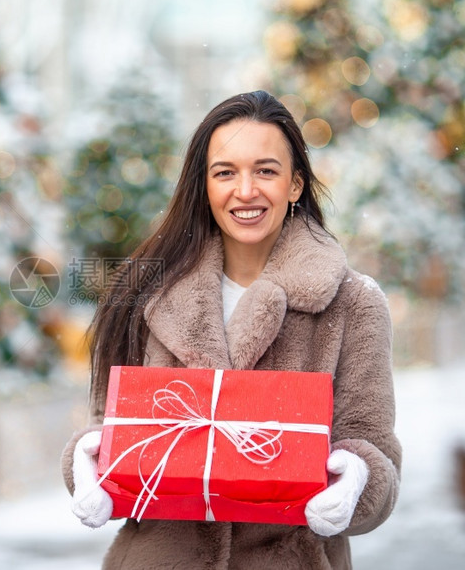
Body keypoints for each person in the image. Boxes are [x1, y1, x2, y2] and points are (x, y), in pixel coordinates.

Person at [61, 90, 401, 570]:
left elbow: (376, 451)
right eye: (225, 172)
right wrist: (88, 463)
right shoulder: (145, 292)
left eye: (266, 170)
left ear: (295, 184)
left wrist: (356, 478)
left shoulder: (353, 303)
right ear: (204, 185)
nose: (245, 191)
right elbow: (107, 426)